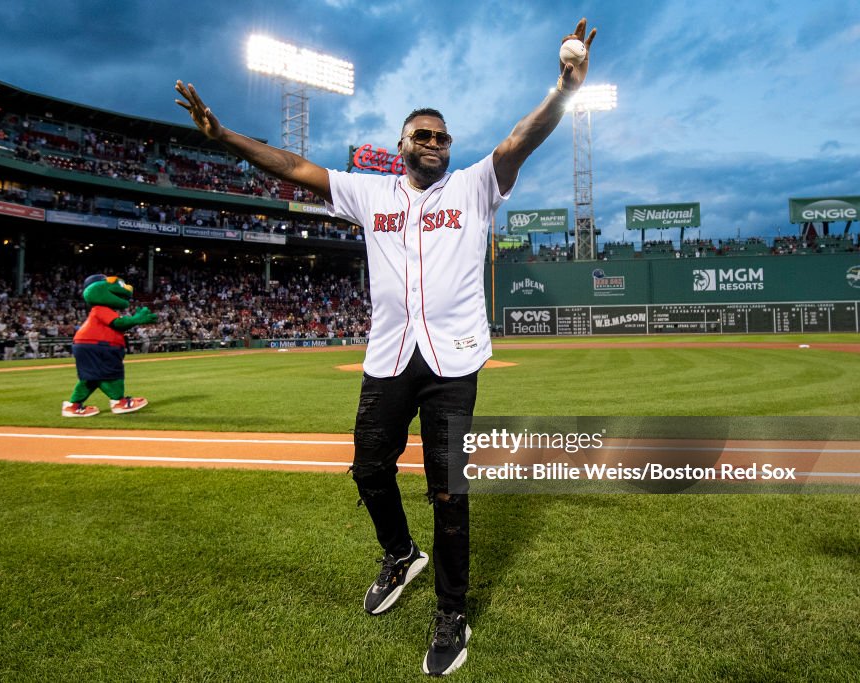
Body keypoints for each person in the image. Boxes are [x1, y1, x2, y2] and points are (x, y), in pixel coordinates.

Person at [175, 17, 595, 677]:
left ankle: (451, 613)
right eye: (421, 135)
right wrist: (224, 136)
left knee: (449, 492)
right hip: (390, 357)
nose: (433, 141)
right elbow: (293, 166)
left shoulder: (476, 185)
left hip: (453, 360)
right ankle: (400, 553)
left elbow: (521, 137)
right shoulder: (369, 193)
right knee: (369, 467)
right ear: (401, 146)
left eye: (441, 135)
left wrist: (565, 90)